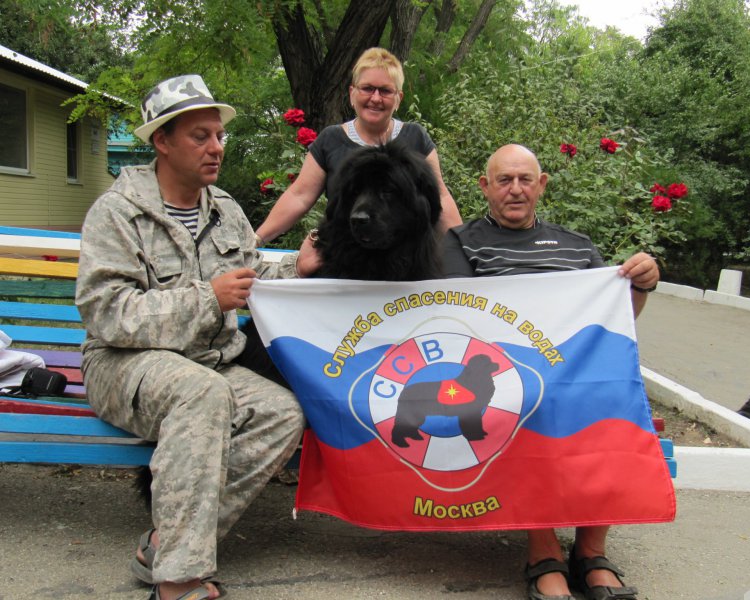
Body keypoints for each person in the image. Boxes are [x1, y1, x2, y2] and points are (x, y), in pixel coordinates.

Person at [75, 75, 306, 600]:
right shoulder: (117, 213)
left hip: (205, 363)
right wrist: (208, 298)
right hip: (123, 365)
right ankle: (177, 580)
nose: (216, 147)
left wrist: (301, 266)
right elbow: (108, 314)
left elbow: (249, 280)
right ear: (162, 141)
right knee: (202, 393)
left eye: (219, 136)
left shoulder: (224, 209)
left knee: (283, 413)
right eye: (200, 136)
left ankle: (165, 541)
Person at [442, 144, 658, 600]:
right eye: (504, 180)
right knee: (533, 404)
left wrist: (641, 286)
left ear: (541, 185)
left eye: (525, 179)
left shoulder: (577, 246)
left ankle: (591, 553)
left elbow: (615, 319)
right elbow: (457, 319)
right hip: (503, 373)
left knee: (613, 408)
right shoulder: (461, 242)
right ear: (485, 187)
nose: (515, 190)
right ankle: (543, 553)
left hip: (576, 368)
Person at [254, 47, 462, 244]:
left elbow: (440, 198)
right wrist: (256, 240)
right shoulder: (331, 139)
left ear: (398, 98)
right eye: (367, 88)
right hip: (345, 262)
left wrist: (461, 252)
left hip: (406, 267)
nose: (375, 98)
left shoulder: (415, 137)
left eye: (385, 91)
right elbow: (299, 196)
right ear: (352, 93)